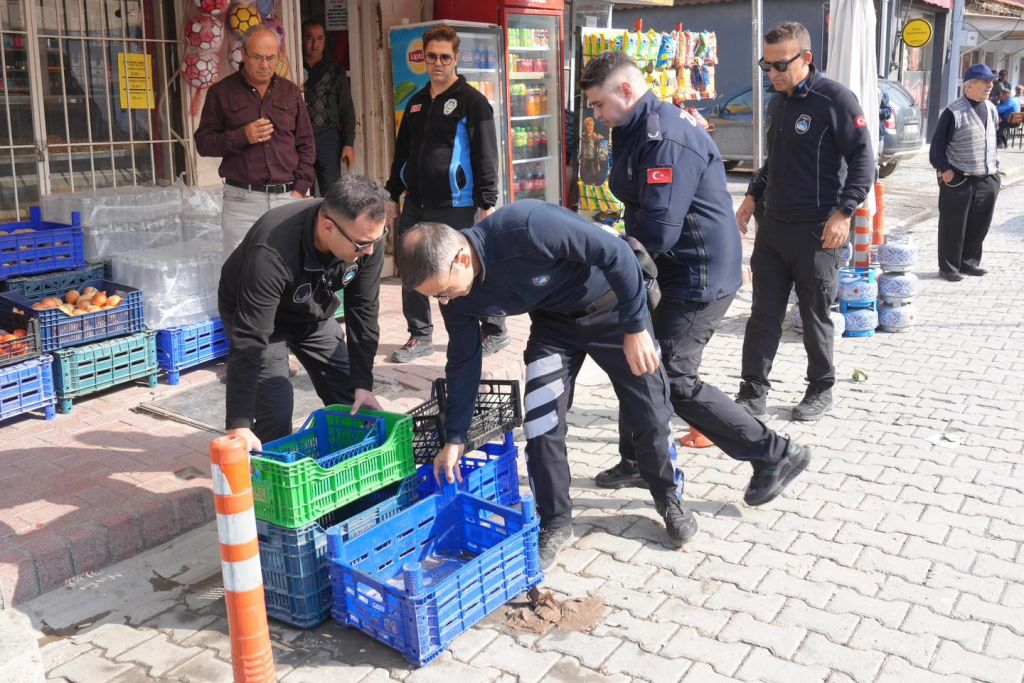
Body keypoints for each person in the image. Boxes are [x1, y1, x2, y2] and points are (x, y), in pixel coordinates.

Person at [397, 201, 699, 568]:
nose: (444, 300)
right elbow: (463, 359)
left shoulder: (526, 226)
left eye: (444, 290)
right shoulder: (455, 294)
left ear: (461, 257)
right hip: (554, 327)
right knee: (541, 422)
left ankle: (668, 496)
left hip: (613, 310)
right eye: (436, 297)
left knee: (650, 410)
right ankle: (555, 521)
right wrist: (455, 435)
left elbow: (617, 254)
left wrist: (636, 327)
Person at [578, 51, 809, 500]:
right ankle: (639, 459)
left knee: (672, 378)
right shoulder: (630, 128)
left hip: (698, 273)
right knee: (637, 358)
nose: (596, 114)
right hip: (668, 267)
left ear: (625, 90)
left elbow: (659, 230)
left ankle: (774, 452)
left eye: (598, 104)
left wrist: (608, 256)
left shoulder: (667, 138)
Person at [734, 21, 873, 422]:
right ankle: (752, 390)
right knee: (763, 314)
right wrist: (751, 195)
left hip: (818, 230)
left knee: (814, 314)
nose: (772, 74)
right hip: (774, 227)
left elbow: (864, 161)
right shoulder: (778, 103)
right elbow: (774, 161)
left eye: (780, 65)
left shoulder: (836, 100)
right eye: (766, 65)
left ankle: (820, 388)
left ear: (806, 58)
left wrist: (845, 212)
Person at [218, 175, 390, 452]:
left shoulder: (367, 236)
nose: (369, 250)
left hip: (313, 309)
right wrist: (238, 423)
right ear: (327, 227)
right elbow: (250, 339)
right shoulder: (272, 251)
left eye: (377, 239)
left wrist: (363, 383)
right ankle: (269, 483)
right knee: (275, 412)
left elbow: (363, 310)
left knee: (352, 397)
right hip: (261, 318)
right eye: (361, 245)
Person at [385, 24, 505, 364]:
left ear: (457, 58)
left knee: (467, 269)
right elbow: (402, 152)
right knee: (412, 266)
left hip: (459, 203)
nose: (438, 63)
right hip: (417, 202)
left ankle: (494, 329)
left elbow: (486, 154)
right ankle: (419, 335)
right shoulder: (416, 103)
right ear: (425, 57)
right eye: (432, 57)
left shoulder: (473, 103)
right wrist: (393, 194)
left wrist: (487, 201)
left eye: (445, 57)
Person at [196, 25, 316, 256]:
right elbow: (203, 143)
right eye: (258, 57)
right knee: (242, 271)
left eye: (271, 58)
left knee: (288, 268)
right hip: (242, 200)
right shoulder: (221, 92)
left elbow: (306, 143)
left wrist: (301, 188)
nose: (265, 65)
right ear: (243, 53)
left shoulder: (290, 92)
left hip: (288, 197)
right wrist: (241, 136)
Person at [929, 64, 1001, 282]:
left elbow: (992, 137)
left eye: (991, 81)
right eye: (985, 82)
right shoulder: (953, 111)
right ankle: (949, 267)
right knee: (953, 225)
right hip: (959, 178)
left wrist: (995, 166)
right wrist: (944, 169)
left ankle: (969, 262)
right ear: (970, 85)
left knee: (980, 223)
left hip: (987, 177)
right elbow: (937, 147)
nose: (990, 85)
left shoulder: (990, 108)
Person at [302, 19, 357, 196]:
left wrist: (348, 144)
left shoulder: (335, 71)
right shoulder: (293, 67)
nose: (314, 44)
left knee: (332, 191)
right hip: (299, 138)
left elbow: (347, 109)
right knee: (301, 190)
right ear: (302, 39)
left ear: (325, 41)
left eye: (319, 38)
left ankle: (331, 223)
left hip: (328, 137)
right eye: (309, 38)